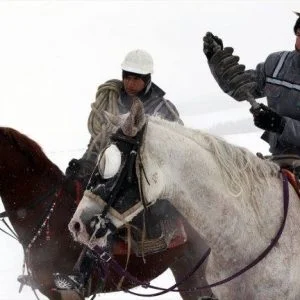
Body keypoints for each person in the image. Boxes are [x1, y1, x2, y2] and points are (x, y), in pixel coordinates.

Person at [57, 49, 184, 293]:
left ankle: (84, 273)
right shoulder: (113, 102)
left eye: (137, 78)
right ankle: (61, 253)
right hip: (111, 170)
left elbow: (176, 147)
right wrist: (84, 163)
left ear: (147, 79)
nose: (130, 83)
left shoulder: (162, 108)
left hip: (145, 177)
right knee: (77, 197)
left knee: (103, 214)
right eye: (127, 77)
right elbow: (98, 143)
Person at [202, 12, 300, 158]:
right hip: (280, 159)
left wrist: (280, 125)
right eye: (299, 34)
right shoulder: (277, 65)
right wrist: (218, 62)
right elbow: (239, 88)